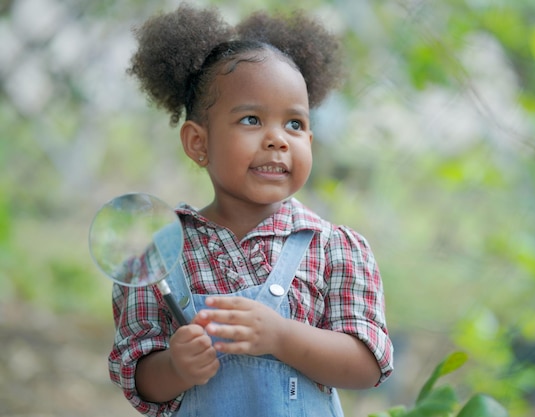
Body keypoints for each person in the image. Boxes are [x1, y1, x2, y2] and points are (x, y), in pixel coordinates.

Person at [108, 3, 393, 416]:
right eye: (252, 119)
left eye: (294, 124)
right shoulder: (159, 253)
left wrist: (281, 336)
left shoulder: (336, 249)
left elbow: (368, 365)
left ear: (309, 141)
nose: (278, 139)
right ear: (198, 143)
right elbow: (139, 377)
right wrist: (175, 366)